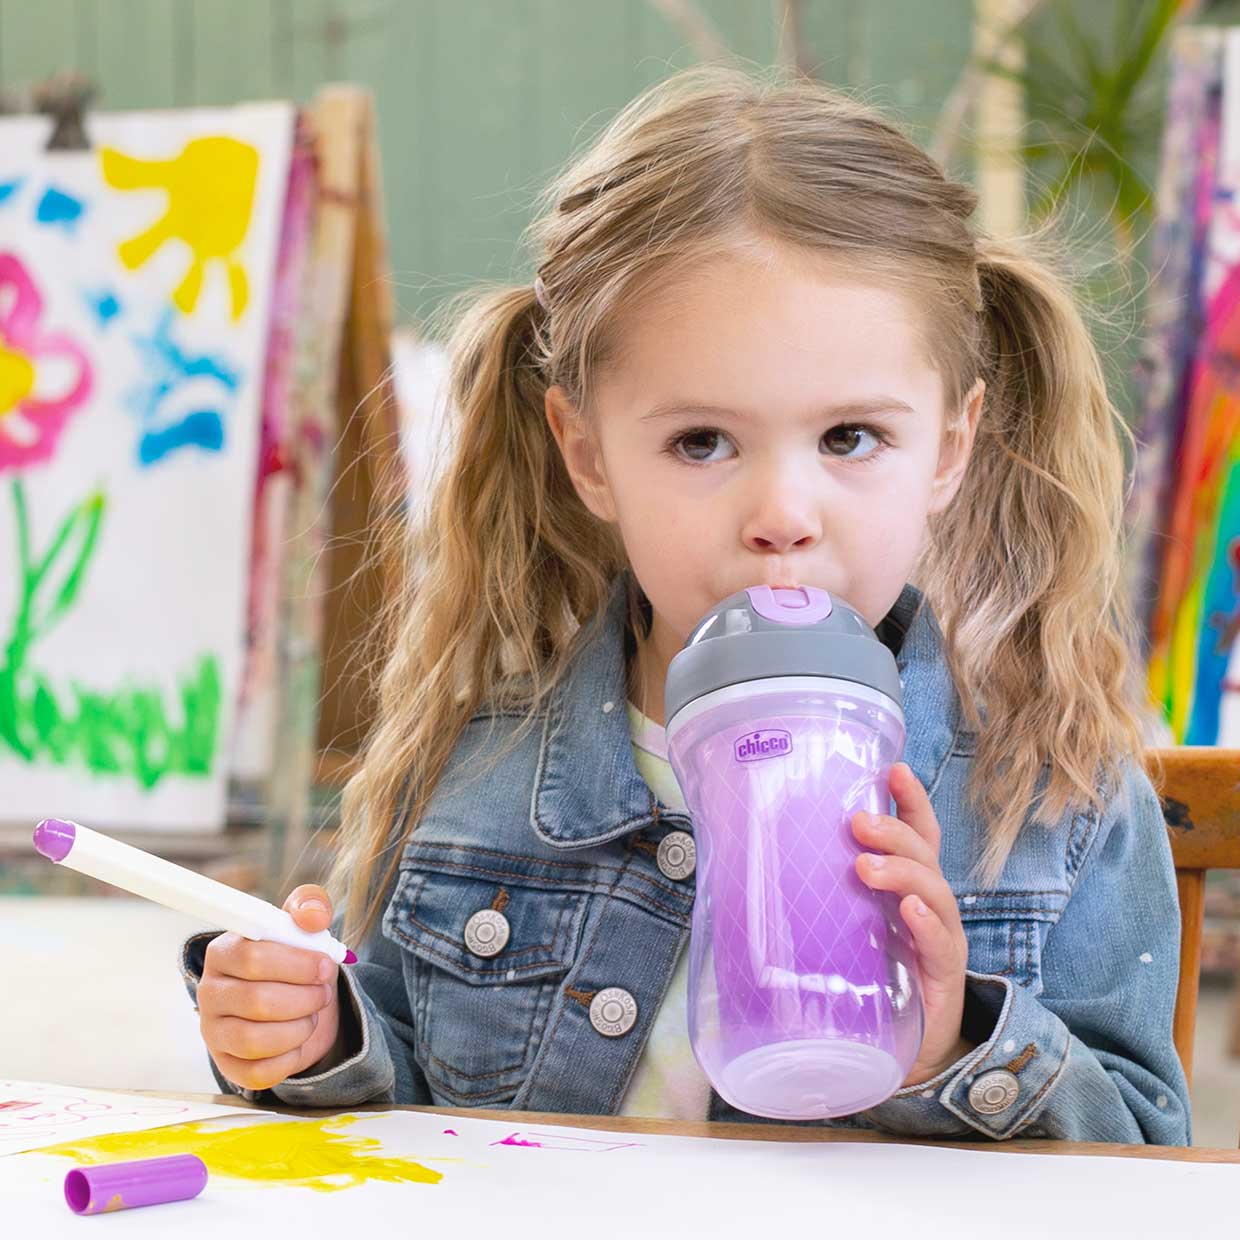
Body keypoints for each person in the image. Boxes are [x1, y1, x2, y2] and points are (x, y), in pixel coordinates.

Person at [181, 65, 1190, 1144]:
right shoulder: (476, 771)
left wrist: (955, 1040)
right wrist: (315, 1035)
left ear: (947, 447)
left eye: (850, 438)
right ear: (588, 453)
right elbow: (407, 1113)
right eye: (701, 441)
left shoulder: (1053, 796)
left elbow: (1146, 1155)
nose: (782, 514)